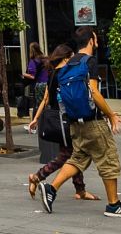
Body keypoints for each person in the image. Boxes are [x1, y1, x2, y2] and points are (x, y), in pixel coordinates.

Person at [39, 27, 121, 218]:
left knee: (78, 158)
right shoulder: (89, 62)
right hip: (93, 121)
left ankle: (51, 189)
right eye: (96, 38)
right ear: (91, 41)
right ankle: (114, 205)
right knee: (108, 159)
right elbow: (94, 92)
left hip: (75, 122)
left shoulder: (67, 64)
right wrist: (111, 115)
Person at [25, 44, 89, 203]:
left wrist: (35, 118)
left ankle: (80, 190)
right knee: (69, 155)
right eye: (72, 57)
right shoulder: (64, 74)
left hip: (61, 120)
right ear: (66, 57)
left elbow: (45, 99)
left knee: (73, 153)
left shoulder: (52, 74)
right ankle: (37, 177)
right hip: (66, 120)